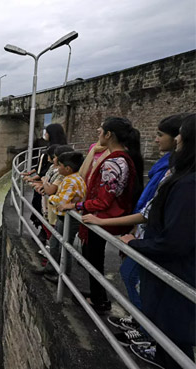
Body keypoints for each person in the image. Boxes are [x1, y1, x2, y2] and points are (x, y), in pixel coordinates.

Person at [82, 114, 184, 335]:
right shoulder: (138, 161)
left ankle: (145, 328)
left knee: (133, 276)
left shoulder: (116, 161)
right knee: (136, 277)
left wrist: (82, 205)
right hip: (138, 226)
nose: (156, 139)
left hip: (140, 231)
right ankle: (140, 322)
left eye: (159, 135)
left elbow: (105, 199)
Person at [121, 114, 195, 369]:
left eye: (180, 134)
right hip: (177, 271)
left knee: (174, 332)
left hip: (177, 272)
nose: (177, 139)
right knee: (173, 334)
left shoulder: (187, 185)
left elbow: (175, 242)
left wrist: (136, 244)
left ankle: (155, 343)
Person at [60, 117, 144, 312]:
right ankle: (98, 295)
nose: (98, 132)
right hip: (106, 216)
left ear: (109, 135)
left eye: (101, 130)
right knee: (93, 257)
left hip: (101, 218)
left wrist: (76, 205)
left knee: (94, 258)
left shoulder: (113, 163)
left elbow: (103, 201)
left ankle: (99, 300)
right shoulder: (124, 157)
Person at [35, 151, 86, 283]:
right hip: (63, 218)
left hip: (69, 220)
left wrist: (50, 197)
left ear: (67, 168)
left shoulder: (70, 181)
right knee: (54, 243)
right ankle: (50, 268)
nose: (58, 168)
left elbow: (61, 202)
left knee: (65, 247)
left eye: (60, 166)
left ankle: (64, 277)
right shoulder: (73, 178)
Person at [25, 124, 68, 243]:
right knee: (49, 217)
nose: (45, 135)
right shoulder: (64, 149)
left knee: (47, 214)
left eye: (47, 132)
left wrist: (38, 180)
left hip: (48, 190)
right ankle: (45, 235)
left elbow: (44, 172)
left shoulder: (52, 151)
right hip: (51, 189)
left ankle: (45, 237)